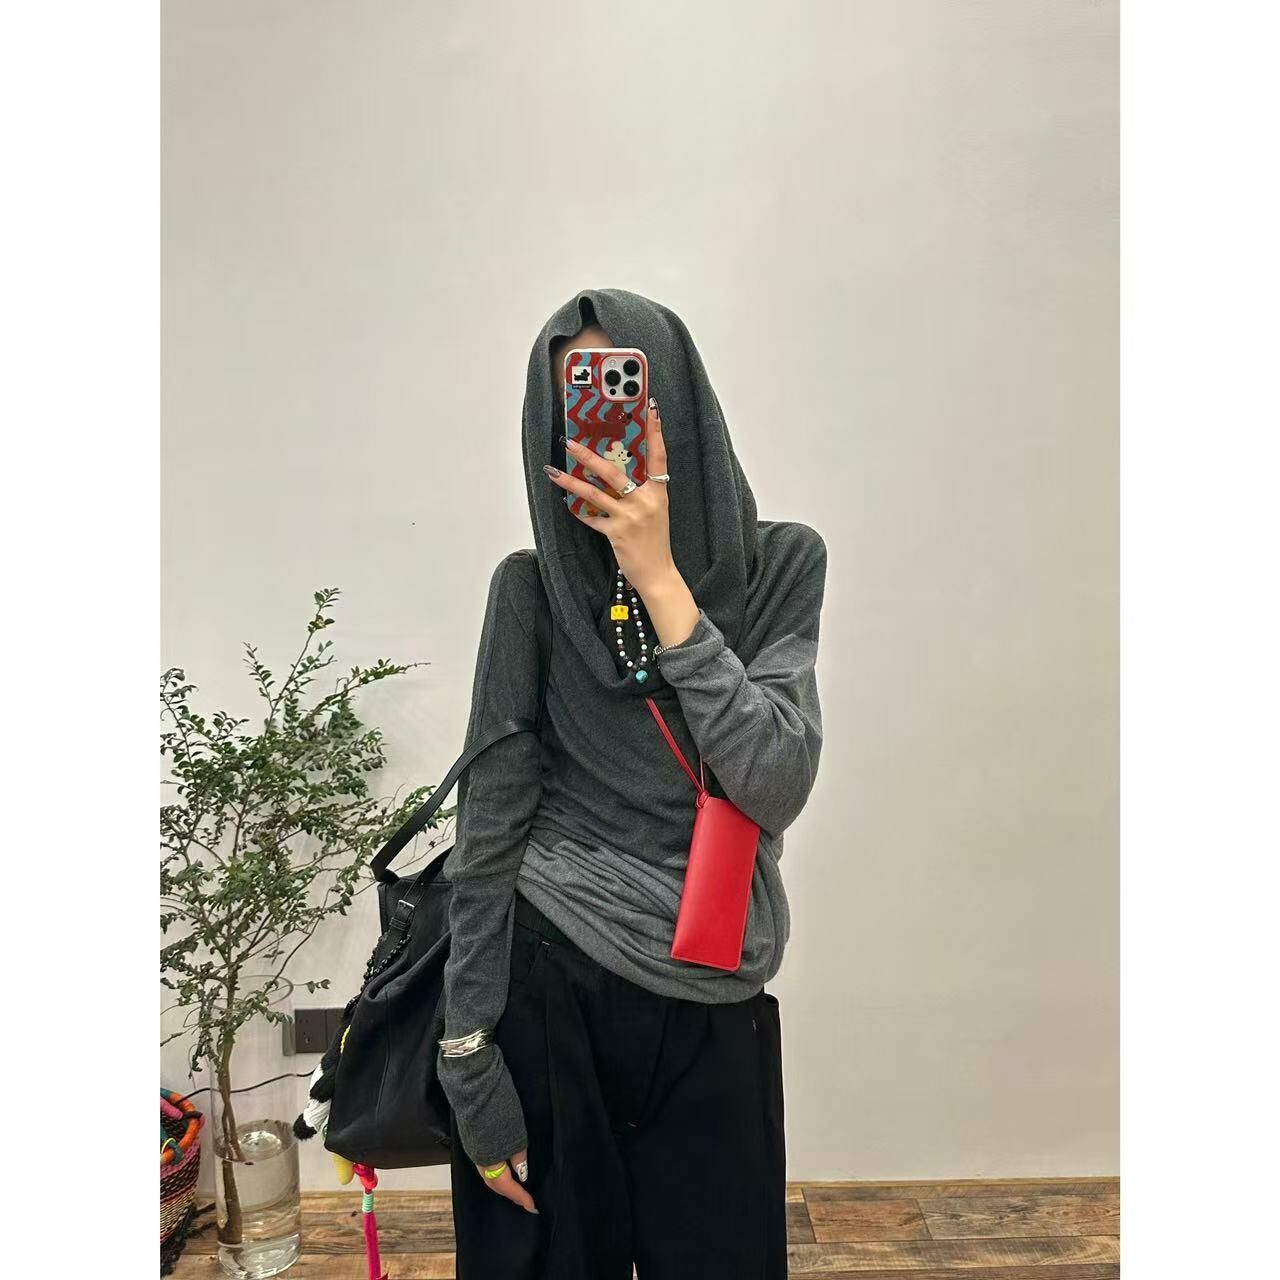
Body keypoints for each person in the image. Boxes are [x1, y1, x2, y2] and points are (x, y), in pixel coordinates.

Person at [438, 287, 827, 1279]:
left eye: (623, 389)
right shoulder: (529, 592)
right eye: (575, 400)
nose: (599, 427)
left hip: (711, 989)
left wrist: (658, 577)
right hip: (547, 989)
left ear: (677, 408)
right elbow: (489, 829)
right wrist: (468, 1052)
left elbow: (774, 779)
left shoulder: (781, 568)